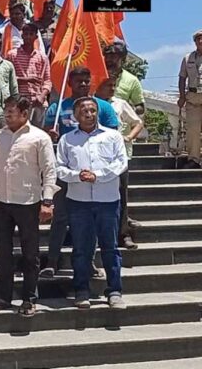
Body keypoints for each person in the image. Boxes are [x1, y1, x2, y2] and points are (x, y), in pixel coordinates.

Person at [0, 96, 58, 316]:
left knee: (30, 254)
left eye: (11, 112)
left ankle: (29, 299)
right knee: (2, 252)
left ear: (25, 114)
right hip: (2, 202)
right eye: (5, 111)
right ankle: (3, 296)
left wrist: (48, 201)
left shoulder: (39, 138)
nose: (6, 115)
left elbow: (49, 171)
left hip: (29, 202)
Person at [40, 66, 119, 278]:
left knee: (89, 221)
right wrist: (50, 134)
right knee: (60, 217)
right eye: (78, 81)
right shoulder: (57, 107)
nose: (83, 84)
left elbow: (112, 137)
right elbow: (45, 135)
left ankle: (88, 262)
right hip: (66, 171)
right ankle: (52, 261)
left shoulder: (103, 107)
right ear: (70, 84)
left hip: (94, 175)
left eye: (86, 80)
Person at [57, 97, 128, 309]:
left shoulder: (113, 136)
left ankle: (114, 291)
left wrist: (98, 175)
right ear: (76, 116)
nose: (89, 115)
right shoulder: (67, 140)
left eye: (92, 110)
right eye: (84, 111)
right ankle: (81, 290)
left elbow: (121, 163)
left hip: (108, 200)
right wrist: (77, 175)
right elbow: (59, 168)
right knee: (81, 248)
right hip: (78, 201)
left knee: (110, 247)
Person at [96, 76, 144, 250]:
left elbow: (138, 122)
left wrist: (129, 137)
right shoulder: (88, 103)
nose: (112, 88)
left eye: (114, 85)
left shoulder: (120, 103)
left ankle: (123, 234)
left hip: (118, 156)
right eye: (108, 85)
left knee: (121, 195)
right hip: (95, 156)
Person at [6, 24, 52, 126]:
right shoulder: (12, 55)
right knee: (18, 130)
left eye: (31, 34)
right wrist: (26, 79)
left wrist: (42, 96)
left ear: (36, 37)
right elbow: (7, 78)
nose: (28, 37)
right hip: (18, 103)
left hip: (38, 102)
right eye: (26, 34)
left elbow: (47, 81)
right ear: (22, 36)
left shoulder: (42, 57)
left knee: (37, 132)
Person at [178, 30, 202, 169]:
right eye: (198, 39)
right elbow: (182, 77)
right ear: (195, 42)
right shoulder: (188, 58)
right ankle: (194, 159)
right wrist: (182, 96)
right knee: (192, 130)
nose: (201, 41)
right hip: (193, 98)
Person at [104, 40, 145, 115]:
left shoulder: (132, 80)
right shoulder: (96, 75)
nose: (108, 60)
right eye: (107, 56)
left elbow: (140, 107)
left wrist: (128, 109)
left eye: (113, 56)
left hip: (120, 120)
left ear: (123, 59)